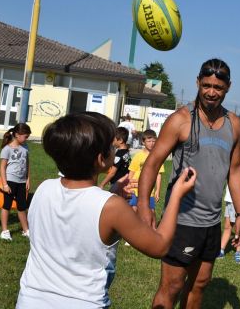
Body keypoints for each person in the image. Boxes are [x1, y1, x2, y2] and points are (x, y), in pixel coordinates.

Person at [16, 112, 196, 308]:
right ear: (101, 159)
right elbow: (159, 246)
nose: (114, 148)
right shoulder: (111, 206)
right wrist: (176, 196)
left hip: (30, 300)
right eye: (111, 146)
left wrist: (113, 193)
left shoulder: (44, 188)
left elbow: (80, 210)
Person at [137, 58, 240, 309]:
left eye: (218, 88)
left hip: (212, 221)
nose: (211, 92)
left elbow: (235, 169)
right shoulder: (181, 120)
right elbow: (152, 163)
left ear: (228, 87)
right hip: (182, 220)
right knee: (172, 286)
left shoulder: (234, 124)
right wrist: (144, 205)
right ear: (198, 82)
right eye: (206, 85)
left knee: (200, 284)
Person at [0, 123, 32, 241]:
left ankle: (26, 230)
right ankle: (4, 231)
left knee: (22, 206)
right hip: (10, 181)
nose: (27, 139)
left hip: (22, 182)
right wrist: (5, 184)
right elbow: (2, 168)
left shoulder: (25, 148)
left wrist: (28, 179)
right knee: (6, 205)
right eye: (26, 136)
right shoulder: (6, 149)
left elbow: (27, 164)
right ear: (17, 135)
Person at [123, 130, 163, 214]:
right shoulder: (138, 156)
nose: (151, 143)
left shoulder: (157, 157)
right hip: (135, 189)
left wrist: (157, 190)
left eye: (153, 141)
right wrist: (128, 186)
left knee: (151, 212)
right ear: (143, 142)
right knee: (133, 210)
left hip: (149, 191)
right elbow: (131, 173)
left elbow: (158, 175)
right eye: (148, 141)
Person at [99, 127, 131, 192]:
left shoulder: (119, 155)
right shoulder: (126, 151)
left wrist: (102, 184)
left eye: (113, 139)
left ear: (120, 140)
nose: (112, 141)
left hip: (117, 183)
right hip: (124, 182)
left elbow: (112, 173)